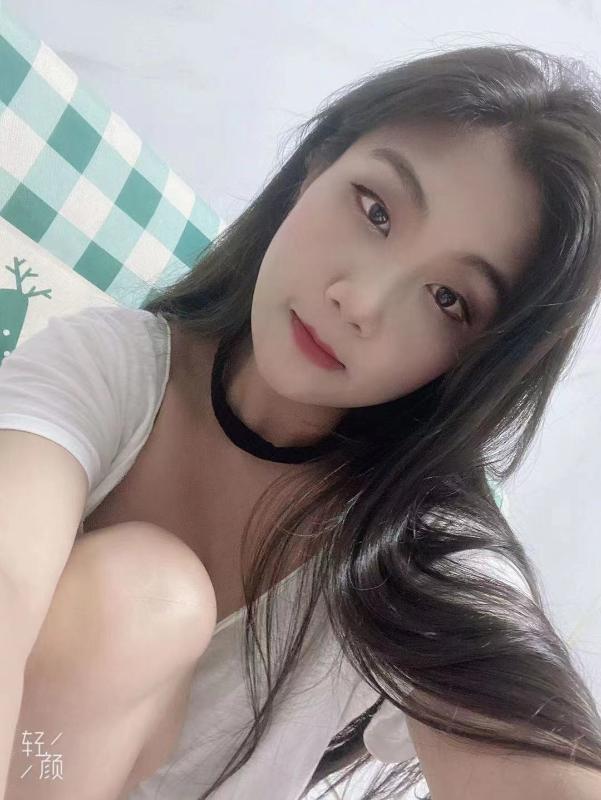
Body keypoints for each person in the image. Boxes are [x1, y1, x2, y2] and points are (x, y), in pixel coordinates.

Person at [1, 42, 601, 800]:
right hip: (38, 769)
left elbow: (534, 751)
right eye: (376, 210)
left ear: (476, 359)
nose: (360, 301)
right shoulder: (114, 365)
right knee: (143, 594)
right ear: (316, 166)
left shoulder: (419, 546)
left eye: (447, 299)